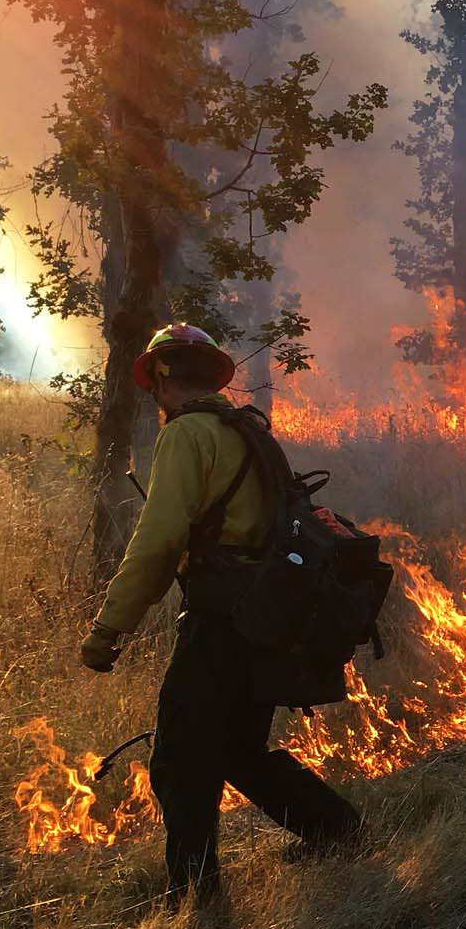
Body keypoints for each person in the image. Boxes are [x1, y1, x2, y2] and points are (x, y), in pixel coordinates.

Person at [80, 323, 363, 900]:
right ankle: (336, 829)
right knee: (236, 749)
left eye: (154, 383)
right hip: (268, 613)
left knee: (180, 761)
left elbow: (158, 542)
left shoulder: (187, 436)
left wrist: (110, 626)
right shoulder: (248, 430)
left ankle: (193, 897)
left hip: (222, 622)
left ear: (162, 376)